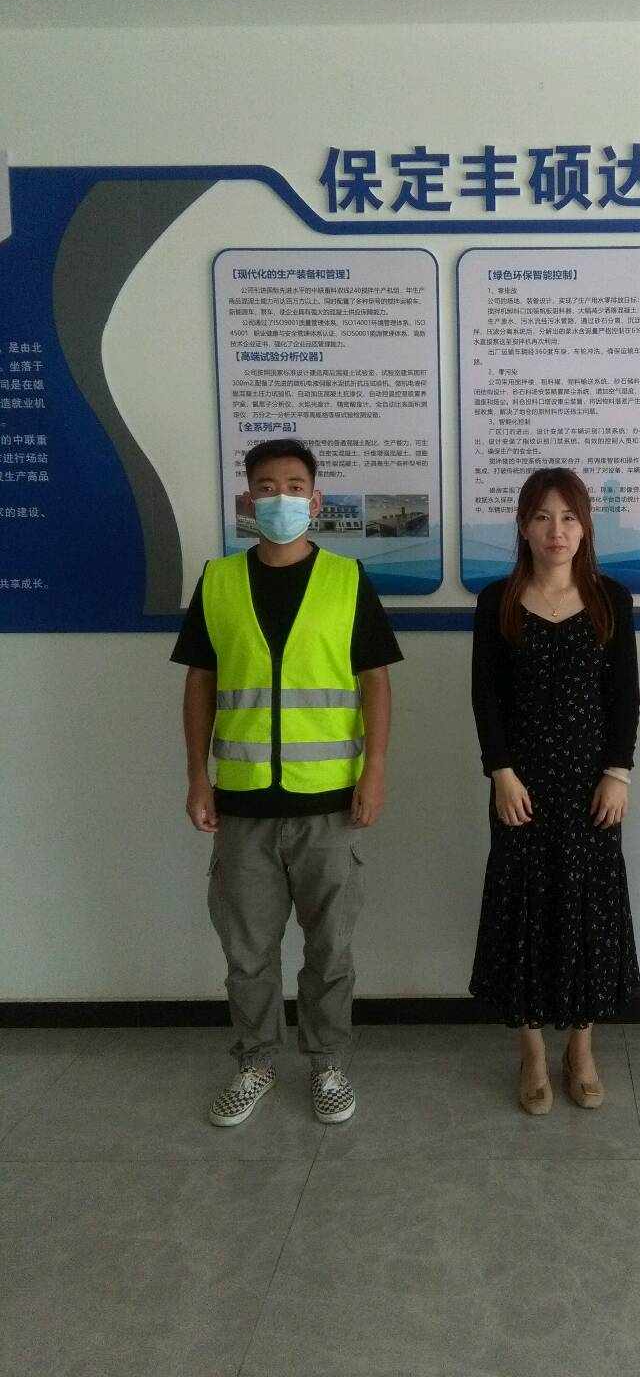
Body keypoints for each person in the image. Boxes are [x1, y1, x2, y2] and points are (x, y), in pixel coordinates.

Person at [171, 438, 402, 1127]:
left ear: (315, 500)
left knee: (330, 950)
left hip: (330, 803)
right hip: (242, 804)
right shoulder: (218, 582)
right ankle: (256, 1063)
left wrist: (375, 770)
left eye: (295, 486)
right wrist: (197, 777)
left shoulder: (346, 580)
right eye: (267, 487)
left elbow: (374, 681)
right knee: (247, 951)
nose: (281, 498)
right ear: (248, 501)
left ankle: (328, 1064)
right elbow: (201, 683)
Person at [469, 469, 640, 1114]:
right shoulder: (498, 601)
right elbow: (485, 696)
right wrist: (500, 772)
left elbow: (625, 697)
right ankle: (533, 1053)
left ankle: (582, 1049)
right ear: (523, 526)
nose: (557, 530)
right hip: (520, 787)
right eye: (542, 517)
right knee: (522, 910)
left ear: (585, 526)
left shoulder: (609, 599)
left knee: (587, 911)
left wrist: (618, 773)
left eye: (569, 517)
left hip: (593, 789)